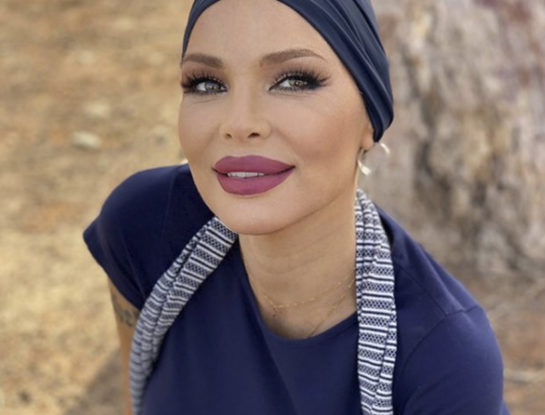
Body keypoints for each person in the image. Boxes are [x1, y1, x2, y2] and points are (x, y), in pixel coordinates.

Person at [83, 0, 511, 414]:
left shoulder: (444, 360)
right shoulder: (145, 228)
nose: (240, 124)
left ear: (370, 116)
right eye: (207, 84)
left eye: (293, 81)